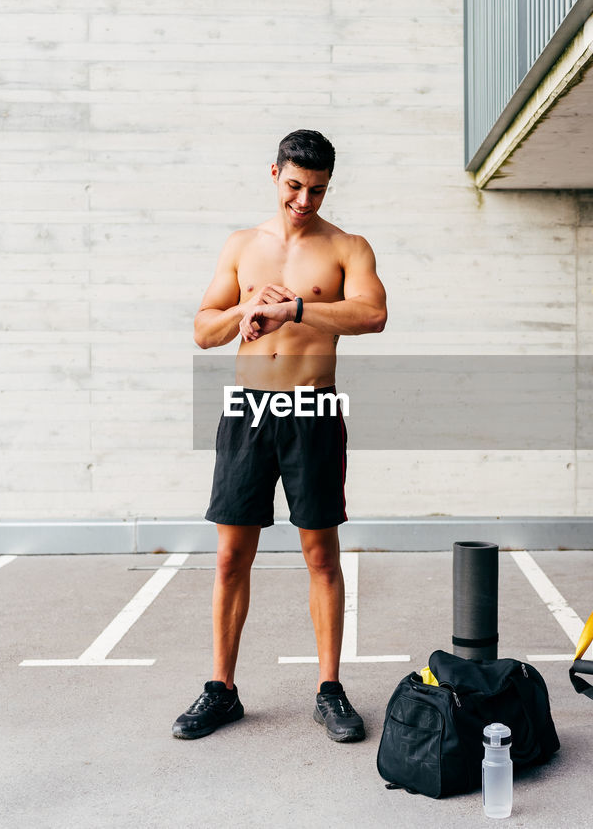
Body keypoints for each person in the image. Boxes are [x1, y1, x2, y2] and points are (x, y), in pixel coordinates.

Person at [175, 130, 387, 742]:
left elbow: (372, 315)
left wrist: (295, 308)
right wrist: (247, 312)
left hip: (313, 412)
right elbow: (202, 329)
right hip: (246, 411)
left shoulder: (347, 247)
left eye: (316, 190)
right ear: (274, 174)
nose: (303, 200)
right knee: (230, 555)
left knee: (321, 555)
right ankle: (221, 689)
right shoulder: (242, 246)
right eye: (294, 186)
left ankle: (329, 690)